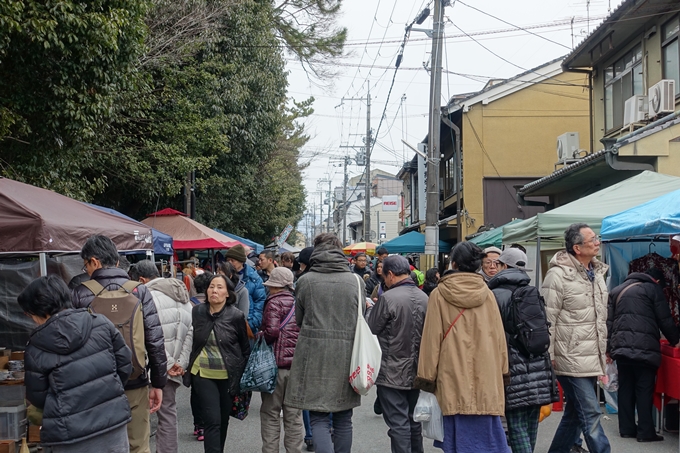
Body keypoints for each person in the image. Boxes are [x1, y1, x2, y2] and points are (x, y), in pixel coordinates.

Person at [72, 235, 167, 453]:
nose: (86, 269)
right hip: (135, 382)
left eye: (85, 264)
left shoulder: (80, 293)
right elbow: (155, 340)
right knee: (138, 446)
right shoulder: (139, 290)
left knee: (100, 446)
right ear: (116, 261)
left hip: (95, 387)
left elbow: (73, 344)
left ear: (94, 262)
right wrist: (158, 383)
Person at [415, 242, 509, 453]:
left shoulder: (439, 295)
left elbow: (431, 340)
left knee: (457, 441)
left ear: (453, 263)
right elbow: (499, 339)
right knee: (488, 442)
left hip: (452, 377)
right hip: (486, 376)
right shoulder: (488, 294)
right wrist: (503, 371)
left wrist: (426, 378)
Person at [21, 275, 132, 453]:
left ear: (39, 311)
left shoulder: (36, 347)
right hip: (112, 423)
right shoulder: (101, 323)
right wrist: (107, 390)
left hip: (68, 434)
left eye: (29, 314)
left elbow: (37, 397)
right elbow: (125, 365)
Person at [285, 233, 364, 453]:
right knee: (343, 417)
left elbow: (299, 320)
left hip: (313, 355)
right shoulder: (355, 281)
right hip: (347, 354)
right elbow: (362, 319)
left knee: (318, 416)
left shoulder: (305, 281)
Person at [542, 223, 611, 453]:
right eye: (592, 239)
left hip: (591, 356)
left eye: (596, 237)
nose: (597, 242)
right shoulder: (558, 275)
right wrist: (549, 355)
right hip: (569, 356)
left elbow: (600, 318)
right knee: (590, 412)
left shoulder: (598, 273)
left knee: (574, 414)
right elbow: (547, 319)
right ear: (577, 248)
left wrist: (604, 351)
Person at [489, 248, 556, 453]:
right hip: (538, 364)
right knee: (531, 424)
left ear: (503, 266)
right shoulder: (532, 291)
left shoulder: (494, 295)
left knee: (516, 426)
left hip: (513, 366)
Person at [607, 268, 680, 442]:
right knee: (643, 388)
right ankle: (645, 432)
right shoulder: (652, 289)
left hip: (622, 348)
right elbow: (664, 319)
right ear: (656, 280)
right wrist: (675, 340)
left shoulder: (616, 291)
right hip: (645, 348)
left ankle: (626, 429)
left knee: (625, 387)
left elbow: (608, 322)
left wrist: (608, 348)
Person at [129, 261, 193, 453]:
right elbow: (191, 330)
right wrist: (180, 362)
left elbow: (149, 335)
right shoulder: (183, 297)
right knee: (168, 414)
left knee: (142, 415)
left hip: (152, 365)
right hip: (174, 365)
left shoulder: (146, 297)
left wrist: (167, 363)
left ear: (141, 280)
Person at [368, 255, 428, 453]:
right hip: (417, 368)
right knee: (413, 420)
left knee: (398, 423)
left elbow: (372, 327)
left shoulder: (388, 298)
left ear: (391, 274)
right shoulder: (424, 297)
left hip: (391, 369)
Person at [186, 274, 251, 453]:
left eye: (219, 287)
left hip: (228, 375)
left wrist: (243, 379)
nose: (214, 290)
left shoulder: (236, 316)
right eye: (211, 286)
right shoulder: (197, 312)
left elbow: (245, 349)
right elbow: (192, 340)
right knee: (212, 420)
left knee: (223, 420)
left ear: (228, 293)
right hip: (203, 374)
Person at [260, 267, 304, 453]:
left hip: (275, 367)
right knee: (293, 416)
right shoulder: (298, 302)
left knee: (270, 413)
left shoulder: (273, 302)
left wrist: (261, 335)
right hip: (296, 368)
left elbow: (272, 331)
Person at [225, 244, 266, 332]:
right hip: (228, 324)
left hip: (248, 323)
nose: (230, 263)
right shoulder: (225, 277)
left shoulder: (254, 278)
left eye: (232, 260)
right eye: (228, 260)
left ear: (241, 261)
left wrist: (253, 323)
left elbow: (260, 301)